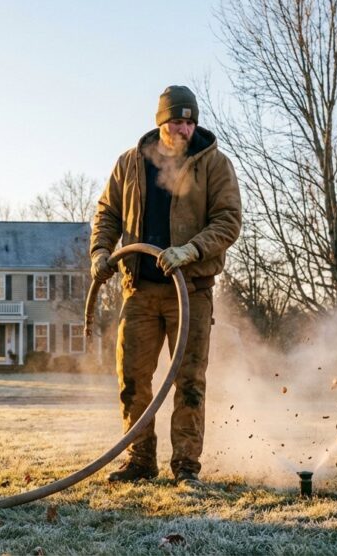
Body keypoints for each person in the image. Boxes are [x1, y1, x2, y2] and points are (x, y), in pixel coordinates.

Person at [90, 85, 242, 485]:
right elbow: (107, 213)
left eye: (191, 122)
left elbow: (228, 220)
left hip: (190, 292)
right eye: (177, 121)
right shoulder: (130, 164)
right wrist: (100, 252)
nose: (185, 129)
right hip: (139, 290)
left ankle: (186, 467)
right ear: (161, 122)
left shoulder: (214, 165)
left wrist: (191, 250)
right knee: (133, 380)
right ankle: (140, 461)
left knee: (189, 379)